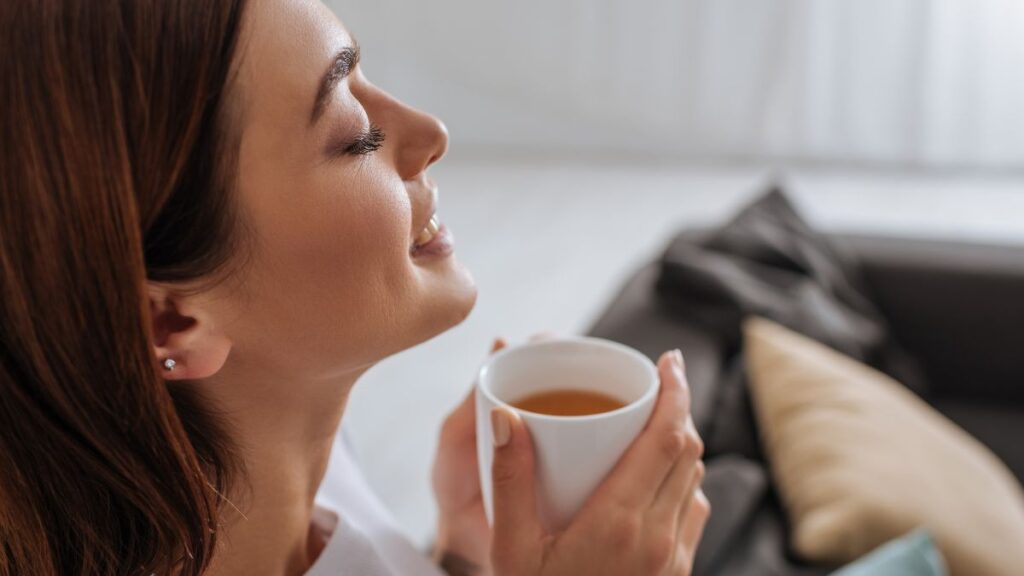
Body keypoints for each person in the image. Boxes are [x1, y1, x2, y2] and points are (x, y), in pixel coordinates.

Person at [0, 0, 709, 574]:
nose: (431, 133)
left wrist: (461, 555)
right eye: (354, 134)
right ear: (171, 325)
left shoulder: (277, 460)